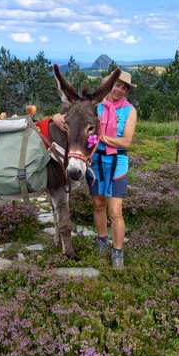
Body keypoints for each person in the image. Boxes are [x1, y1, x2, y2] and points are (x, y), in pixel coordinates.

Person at [53, 70, 137, 269]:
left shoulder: (129, 111)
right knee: (99, 206)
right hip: (95, 161)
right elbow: (73, 115)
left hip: (117, 161)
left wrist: (102, 139)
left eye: (124, 87)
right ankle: (102, 242)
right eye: (117, 85)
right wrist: (57, 116)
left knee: (115, 212)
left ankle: (117, 252)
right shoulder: (93, 108)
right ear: (108, 86)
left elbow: (126, 141)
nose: (120, 89)